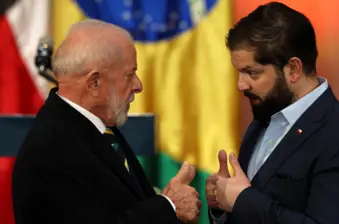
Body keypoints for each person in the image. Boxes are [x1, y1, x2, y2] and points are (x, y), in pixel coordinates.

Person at [12, 19, 201, 224]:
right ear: (95, 83)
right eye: (130, 75)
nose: (138, 85)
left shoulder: (95, 127)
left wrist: (163, 204)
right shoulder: (51, 151)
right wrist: (168, 205)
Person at [205, 2, 339, 224]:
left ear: (293, 69)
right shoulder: (262, 120)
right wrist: (222, 205)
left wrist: (242, 199)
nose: (241, 85)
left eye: (252, 73)